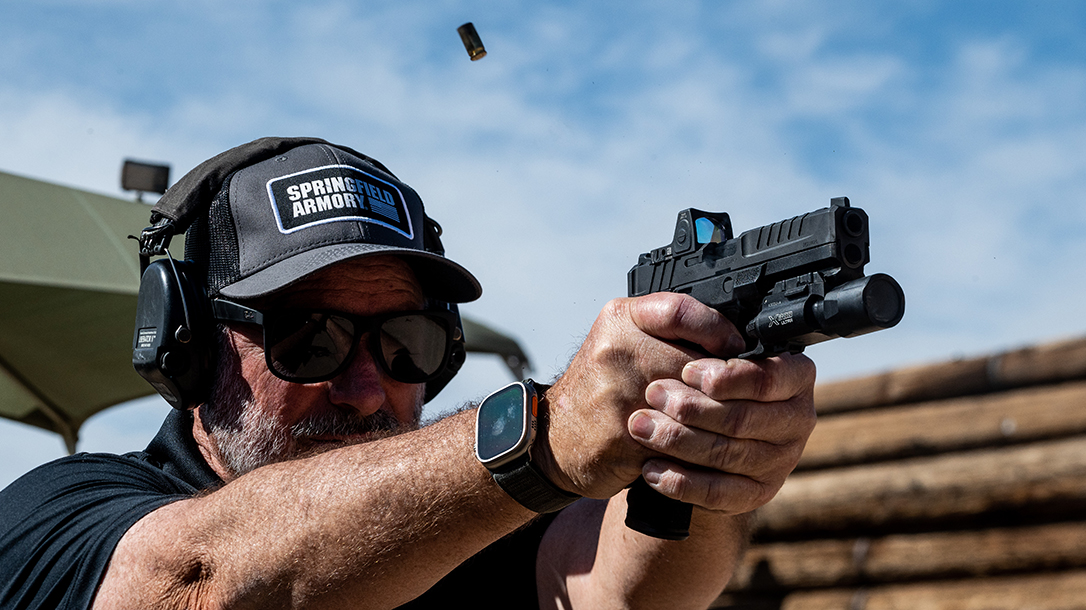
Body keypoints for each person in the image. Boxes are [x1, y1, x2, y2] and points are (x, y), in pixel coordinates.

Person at [0, 138, 816, 610]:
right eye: (310, 341)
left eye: (407, 345)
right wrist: (541, 433)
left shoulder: (454, 530)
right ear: (193, 344)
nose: (364, 388)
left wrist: (701, 456)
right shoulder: (54, 516)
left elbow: (624, 590)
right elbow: (196, 580)